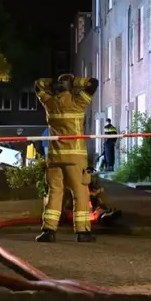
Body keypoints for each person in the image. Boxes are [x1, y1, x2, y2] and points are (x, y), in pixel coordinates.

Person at [34, 74, 99, 243]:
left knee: (55, 192)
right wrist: (76, 81)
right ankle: (82, 232)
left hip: (55, 158)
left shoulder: (50, 103)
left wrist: (51, 83)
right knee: (80, 194)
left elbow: (38, 86)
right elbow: (94, 84)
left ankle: (49, 230)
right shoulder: (78, 103)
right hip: (75, 157)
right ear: (70, 87)